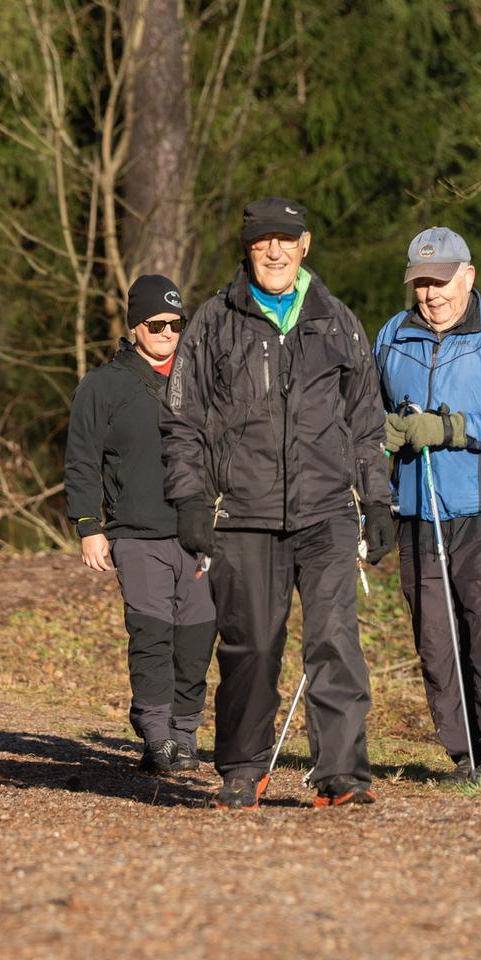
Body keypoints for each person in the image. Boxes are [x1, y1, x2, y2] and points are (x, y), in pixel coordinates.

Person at [162, 197, 393, 810]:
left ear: (305, 245)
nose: (274, 250)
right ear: (247, 247)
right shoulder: (213, 321)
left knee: (335, 641)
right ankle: (243, 769)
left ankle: (341, 774)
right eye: (262, 240)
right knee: (251, 647)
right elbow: (183, 421)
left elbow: (367, 422)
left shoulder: (339, 322)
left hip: (328, 513)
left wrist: (378, 500)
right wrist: (189, 498)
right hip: (242, 513)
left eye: (285, 240)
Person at [375, 227, 481, 786]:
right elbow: (365, 418)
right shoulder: (391, 336)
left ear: (467, 276)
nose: (430, 293)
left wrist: (453, 429)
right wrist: (386, 434)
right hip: (417, 509)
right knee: (435, 638)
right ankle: (466, 754)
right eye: (420, 282)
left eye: (440, 280)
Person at [65, 274, 216, 775]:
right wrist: (89, 526)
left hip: (199, 532)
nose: (168, 332)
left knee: (196, 637)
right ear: (135, 326)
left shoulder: (201, 381)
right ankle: (156, 735)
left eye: (177, 323)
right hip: (135, 533)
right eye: (157, 324)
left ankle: (187, 732)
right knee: (151, 635)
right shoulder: (102, 385)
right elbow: (81, 459)